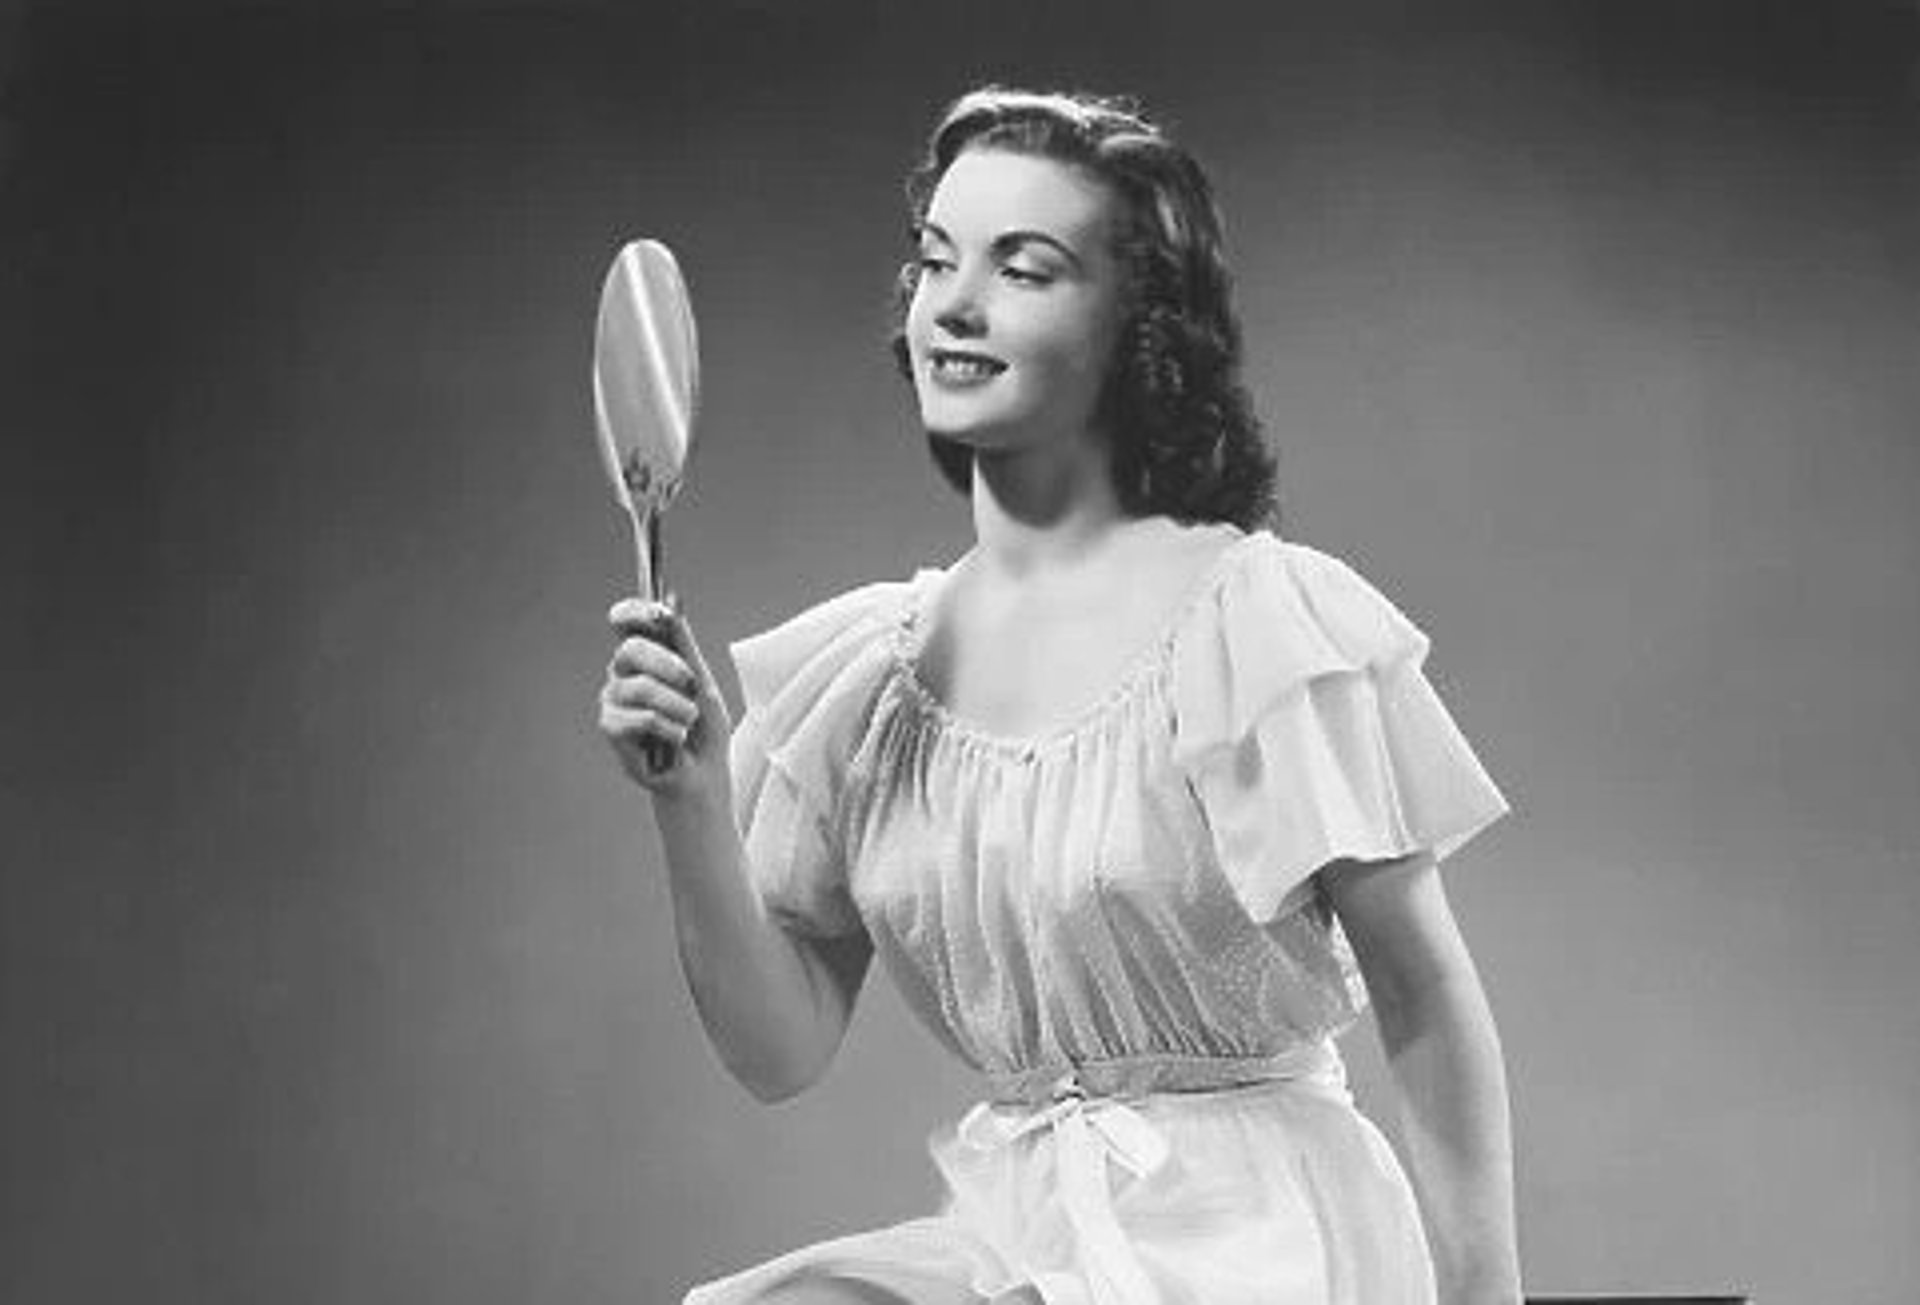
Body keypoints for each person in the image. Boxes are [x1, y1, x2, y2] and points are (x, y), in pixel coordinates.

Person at [600, 85, 1521, 1305]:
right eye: (936, 262)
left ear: (1136, 327)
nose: (955, 306)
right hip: (1030, 1229)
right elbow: (781, 1046)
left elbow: (1424, 994)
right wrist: (693, 802)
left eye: (1024, 270)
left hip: (1263, 1233)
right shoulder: (875, 675)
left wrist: (1486, 1301)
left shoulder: (1250, 621)